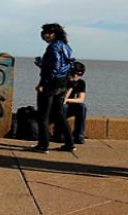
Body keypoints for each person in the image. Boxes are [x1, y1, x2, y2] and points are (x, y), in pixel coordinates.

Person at [31, 23, 76, 153]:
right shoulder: (66, 46)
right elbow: (66, 65)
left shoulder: (53, 48)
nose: (44, 36)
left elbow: (53, 68)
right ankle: (70, 143)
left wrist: (42, 83)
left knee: (43, 115)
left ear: (53, 34)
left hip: (51, 84)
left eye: (46, 33)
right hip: (63, 82)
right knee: (59, 113)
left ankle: (43, 145)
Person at [64, 61, 87, 144]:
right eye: (74, 74)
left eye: (79, 74)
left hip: (69, 105)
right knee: (64, 107)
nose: (76, 76)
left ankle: (79, 135)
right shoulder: (63, 80)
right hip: (58, 108)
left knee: (82, 107)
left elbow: (81, 99)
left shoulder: (81, 83)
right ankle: (60, 133)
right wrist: (71, 86)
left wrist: (68, 100)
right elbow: (62, 100)